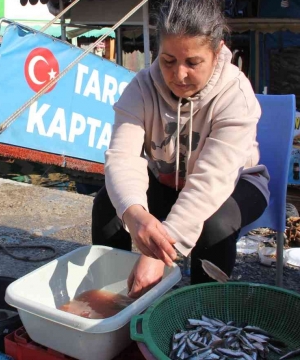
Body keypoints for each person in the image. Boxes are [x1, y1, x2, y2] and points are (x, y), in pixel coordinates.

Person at [91, 0, 269, 299]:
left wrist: (157, 253)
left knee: (216, 225)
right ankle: (115, 296)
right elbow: (123, 157)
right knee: (109, 204)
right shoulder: (141, 87)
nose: (179, 75)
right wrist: (134, 214)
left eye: (193, 63)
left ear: (216, 52)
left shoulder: (235, 94)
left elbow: (211, 182)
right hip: (165, 180)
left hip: (235, 185)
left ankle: (203, 310)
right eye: (168, 61)